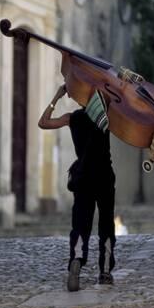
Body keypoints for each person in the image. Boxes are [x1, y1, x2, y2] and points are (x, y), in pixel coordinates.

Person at [38, 84, 116, 292]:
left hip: (83, 177)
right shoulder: (106, 118)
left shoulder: (73, 118)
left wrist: (57, 96)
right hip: (104, 177)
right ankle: (105, 270)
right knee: (106, 224)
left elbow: (43, 122)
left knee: (81, 224)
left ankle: (76, 261)